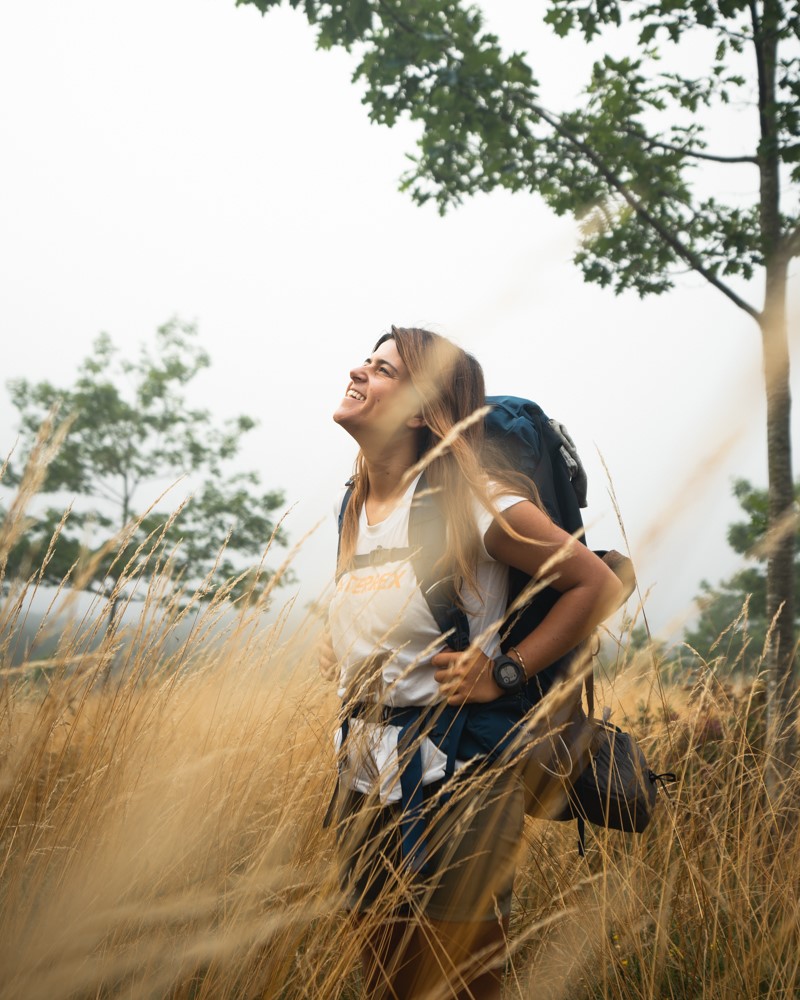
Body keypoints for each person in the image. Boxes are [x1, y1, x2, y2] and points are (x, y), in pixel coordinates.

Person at [322, 327, 622, 999]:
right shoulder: (355, 502)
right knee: (386, 982)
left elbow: (596, 585)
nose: (359, 371)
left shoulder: (475, 500)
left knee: (462, 984)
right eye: (365, 361)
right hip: (362, 771)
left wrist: (506, 671)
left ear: (427, 408)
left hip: (459, 775)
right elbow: (381, 604)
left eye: (383, 369)